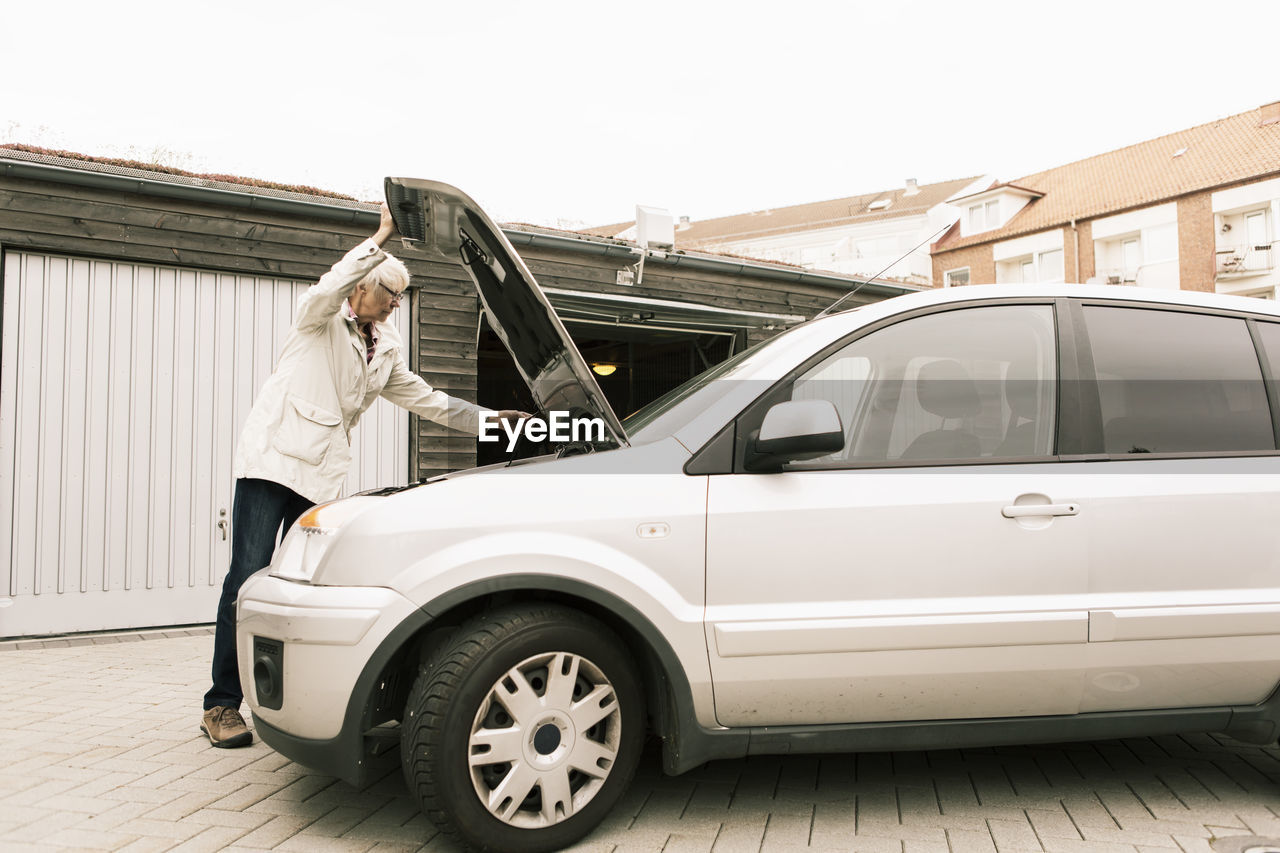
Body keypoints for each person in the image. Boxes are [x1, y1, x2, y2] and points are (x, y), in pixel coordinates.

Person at [201, 203, 526, 748]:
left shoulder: (387, 344)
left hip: (321, 475)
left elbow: (425, 399)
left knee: (298, 587)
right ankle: (221, 706)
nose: (396, 304)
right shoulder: (318, 319)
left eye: (401, 297)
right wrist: (380, 237)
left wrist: (491, 419)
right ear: (361, 288)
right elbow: (329, 287)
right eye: (388, 293)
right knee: (246, 580)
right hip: (273, 463)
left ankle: (286, 698)